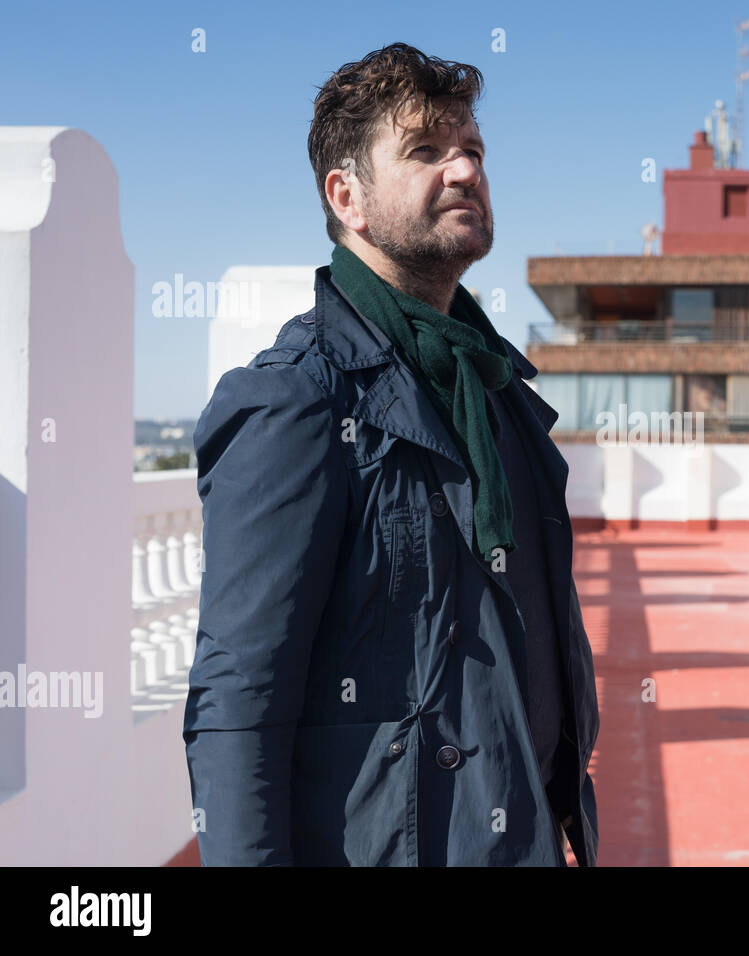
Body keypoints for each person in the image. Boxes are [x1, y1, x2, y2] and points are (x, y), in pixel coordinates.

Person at [182, 42, 598, 866]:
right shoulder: (296, 398)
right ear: (349, 197)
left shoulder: (499, 391)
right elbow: (240, 699)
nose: (464, 170)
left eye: (472, 149)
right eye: (425, 151)